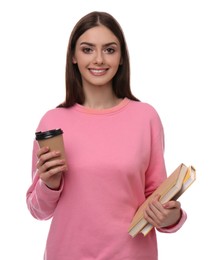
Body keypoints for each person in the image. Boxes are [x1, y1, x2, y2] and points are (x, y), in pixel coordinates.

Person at [26, 11, 187, 260]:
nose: (99, 59)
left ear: (122, 57)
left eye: (109, 50)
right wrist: (50, 183)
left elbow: (158, 195)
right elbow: (38, 211)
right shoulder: (52, 121)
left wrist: (172, 216)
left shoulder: (146, 117)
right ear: (73, 57)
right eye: (88, 49)